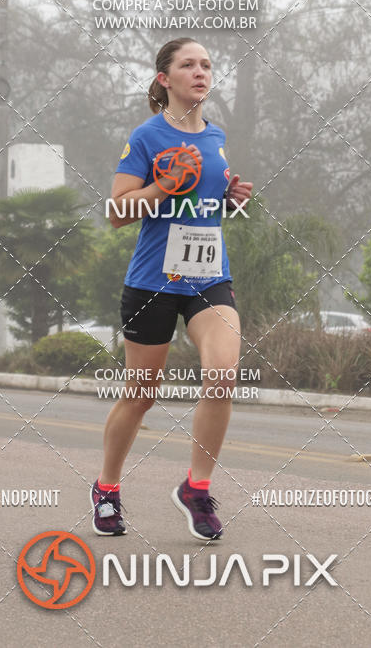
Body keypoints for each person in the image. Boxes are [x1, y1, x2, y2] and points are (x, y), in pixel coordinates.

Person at [91, 37, 253, 541]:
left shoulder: (217, 135)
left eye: (206, 65)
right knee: (141, 396)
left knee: (223, 375)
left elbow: (201, 207)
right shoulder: (147, 136)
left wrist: (227, 198)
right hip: (153, 283)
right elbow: (116, 213)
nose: (201, 72)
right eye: (189, 65)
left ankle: (197, 489)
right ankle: (107, 489)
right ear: (165, 78)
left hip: (208, 280)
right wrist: (162, 187)